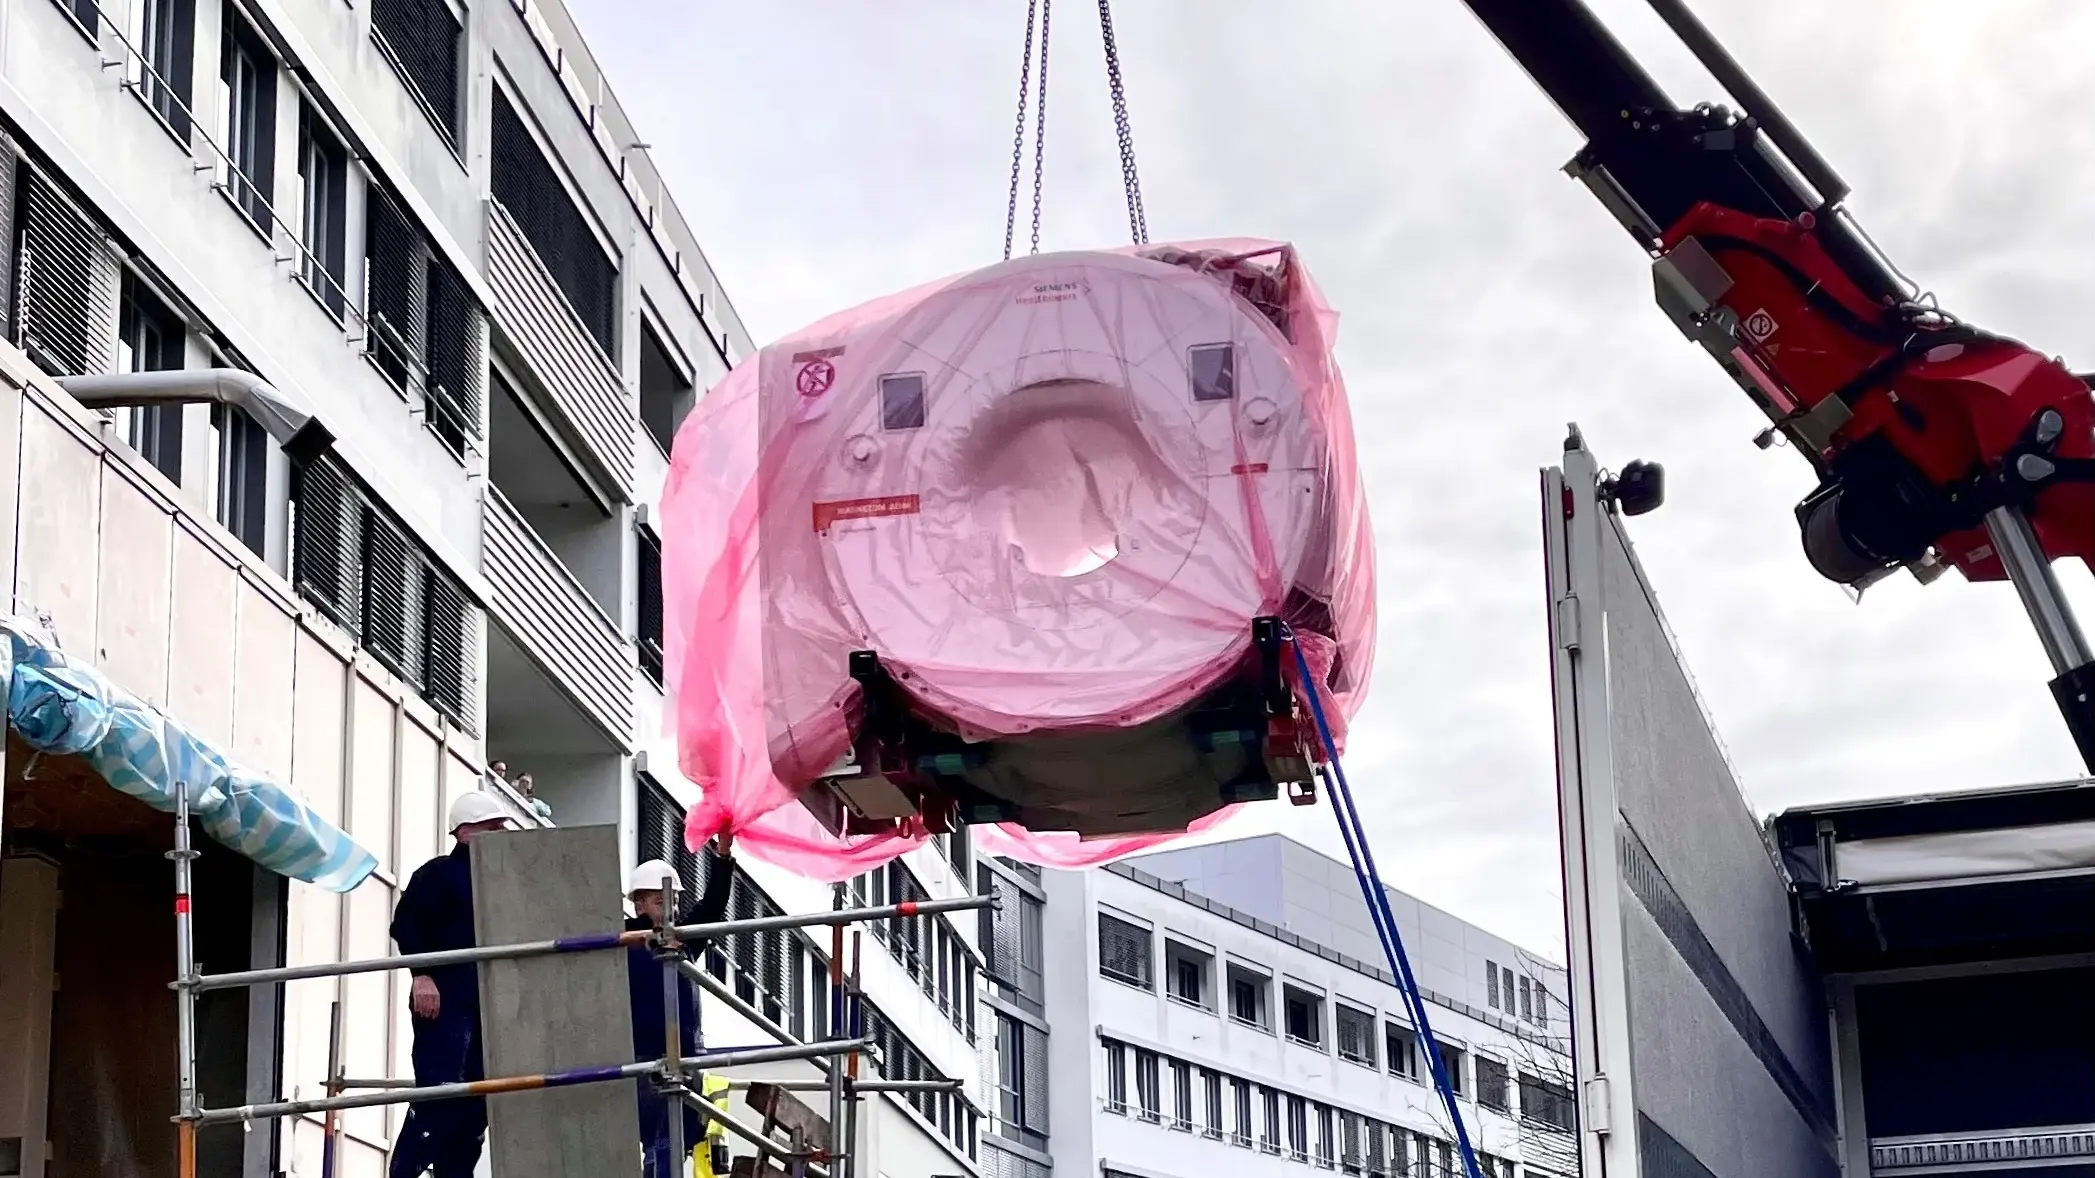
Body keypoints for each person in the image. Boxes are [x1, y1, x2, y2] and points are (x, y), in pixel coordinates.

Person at [387, 791, 514, 1178]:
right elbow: (407, 925)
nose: (501, 834)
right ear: (465, 832)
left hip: (489, 1001)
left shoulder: (505, 882)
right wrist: (422, 976)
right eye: (493, 827)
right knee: (441, 1090)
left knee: (478, 1101)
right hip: (447, 996)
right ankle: (405, 1172)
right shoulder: (439, 873)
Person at [626, 834, 735, 1178]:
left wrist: (724, 855)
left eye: (672, 901)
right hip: (644, 1058)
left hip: (685, 1058)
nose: (669, 909)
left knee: (671, 1142)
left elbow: (713, 905)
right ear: (639, 904)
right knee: (660, 1140)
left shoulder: (682, 941)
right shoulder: (622, 941)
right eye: (660, 902)